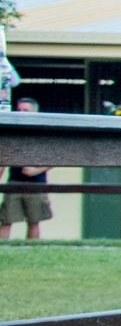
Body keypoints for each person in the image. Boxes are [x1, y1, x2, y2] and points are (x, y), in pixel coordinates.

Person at [4, 96, 51, 239]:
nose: (21, 112)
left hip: (36, 184)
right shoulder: (12, 132)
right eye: (19, 110)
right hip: (14, 182)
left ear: (35, 112)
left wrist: (36, 170)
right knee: (6, 220)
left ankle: (32, 250)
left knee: (33, 222)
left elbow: (56, 159)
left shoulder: (43, 133)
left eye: (25, 110)